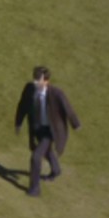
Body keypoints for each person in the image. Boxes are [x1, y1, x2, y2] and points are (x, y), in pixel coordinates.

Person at [13, 65, 80, 197]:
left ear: (46, 81)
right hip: (37, 128)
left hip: (50, 131)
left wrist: (75, 124)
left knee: (36, 157)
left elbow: (68, 108)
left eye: (39, 79)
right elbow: (22, 105)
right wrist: (18, 123)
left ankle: (34, 188)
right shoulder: (29, 89)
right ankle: (56, 170)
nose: (35, 82)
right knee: (46, 150)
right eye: (35, 78)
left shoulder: (56, 93)